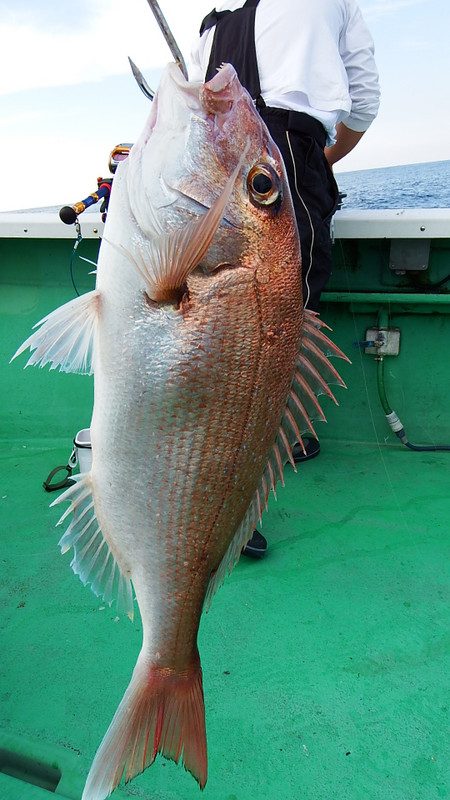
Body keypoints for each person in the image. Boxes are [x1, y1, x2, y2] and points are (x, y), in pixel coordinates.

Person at [190, 0, 380, 557]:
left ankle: (232, 460)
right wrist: (319, 157)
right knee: (285, 315)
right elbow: (363, 102)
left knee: (211, 323)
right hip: (284, 161)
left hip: (211, 167)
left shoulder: (213, 28)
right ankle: (261, 460)